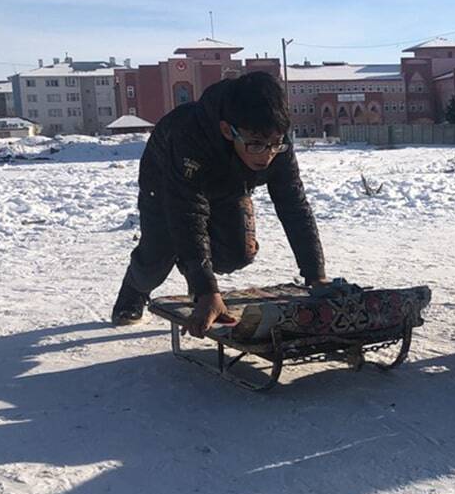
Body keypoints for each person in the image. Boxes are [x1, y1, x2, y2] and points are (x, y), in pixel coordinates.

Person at [110, 71, 327, 337]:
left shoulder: (274, 137)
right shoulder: (188, 134)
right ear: (228, 130)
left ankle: (193, 266)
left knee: (237, 253)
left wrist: (315, 274)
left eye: (275, 144)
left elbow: (293, 204)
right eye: (256, 145)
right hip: (167, 183)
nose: (268, 155)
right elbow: (186, 211)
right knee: (157, 256)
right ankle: (135, 288)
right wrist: (207, 291)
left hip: (229, 184)